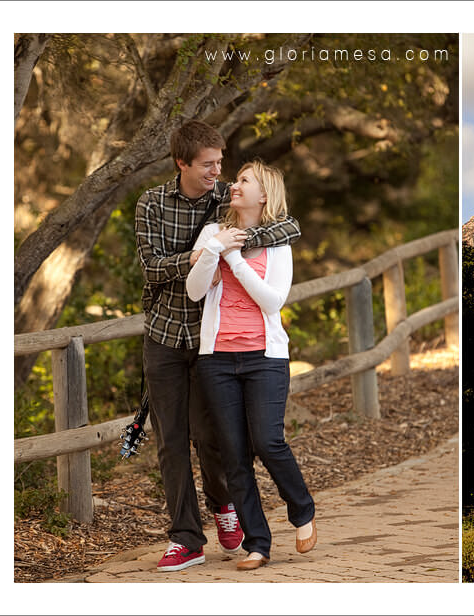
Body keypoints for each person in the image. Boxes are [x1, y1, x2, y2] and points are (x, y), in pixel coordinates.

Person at [135, 120, 302, 572]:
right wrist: (203, 252)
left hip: (215, 344)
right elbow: (150, 268)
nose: (218, 172)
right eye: (208, 164)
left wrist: (236, 243)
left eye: (221, 163)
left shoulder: (227, 196)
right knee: (171, 442)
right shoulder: (151, 203)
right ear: (182, 163)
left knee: (215, 438)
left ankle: (225, 507)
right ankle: (186, 538)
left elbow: (283, 223)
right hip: (168, 335)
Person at [186, 159, 316, 571]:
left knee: (267, 441)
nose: (234, 185)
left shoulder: (278, 244)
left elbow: (273, 301)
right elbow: (194, 292)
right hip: (217, 359)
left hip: (265, 358)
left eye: (244, 181)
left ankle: (303, 511)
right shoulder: (213, 233)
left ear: (264, 195)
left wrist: (235, 257)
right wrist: (213, 249)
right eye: (236, 179)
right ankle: (257, 544)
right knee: (234, 454)